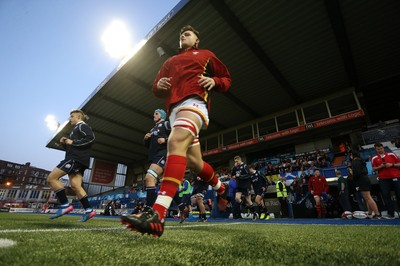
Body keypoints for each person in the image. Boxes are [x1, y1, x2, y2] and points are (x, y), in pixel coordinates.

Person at [121, 25, 231, 237]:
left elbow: (226, 78)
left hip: (194, 104)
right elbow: (156, 87)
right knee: (195, 164)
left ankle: (157, 215)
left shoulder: (206, 55)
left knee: (175, 142)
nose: (183, 36)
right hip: (174, 113)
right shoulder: (169, 62)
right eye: (181, 35)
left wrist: (214, 81)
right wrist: (158, 85)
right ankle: (222, 189)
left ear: (196, 41)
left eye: (188, 34)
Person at [46, 109, 96, 222]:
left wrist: (72, 142)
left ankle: (64, 205)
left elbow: (91, 138)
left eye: (72, 116)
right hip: (79, 160)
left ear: (79, 117)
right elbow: (72, 147)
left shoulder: (82, 126)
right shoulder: (75, 130)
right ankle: (89, 210)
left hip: (75, 159)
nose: (70, 118)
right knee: (76, 186)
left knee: (51, 178)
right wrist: (65, 143)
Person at [142, 109, 170, 210]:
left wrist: (165, 140)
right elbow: (148, 145)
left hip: (162, 154)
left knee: (149, 177)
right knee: (165, 183)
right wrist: (146, 139)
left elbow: (177, 135)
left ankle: (148, 208)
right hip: (154, 156)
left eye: (156, 113)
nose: (154, 115)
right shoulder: (152, 129)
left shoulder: (166, 124)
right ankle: (181, 206)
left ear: (161, 116)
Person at [371, 143, 400, 219]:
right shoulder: (374, 158)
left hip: (395, 177)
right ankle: (391, 213)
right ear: (376, 150)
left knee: (399, 194)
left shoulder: (391, 154)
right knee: (386, 196)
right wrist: (380, 167)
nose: (380, 150)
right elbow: (373, 169)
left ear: (383, 148)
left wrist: (392, 165)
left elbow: (399, 163)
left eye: (381, 148)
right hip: (383, 179)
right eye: (378, 149)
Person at [350, 150, 381, 219]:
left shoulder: (355, 162)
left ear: (352, 155)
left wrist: (353, 177)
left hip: (361, 180)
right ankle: (370, 213)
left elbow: (356, 173)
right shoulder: (361, 161)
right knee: (367, 198)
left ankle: (377, 213)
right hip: (366, 179)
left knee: (368, 197)